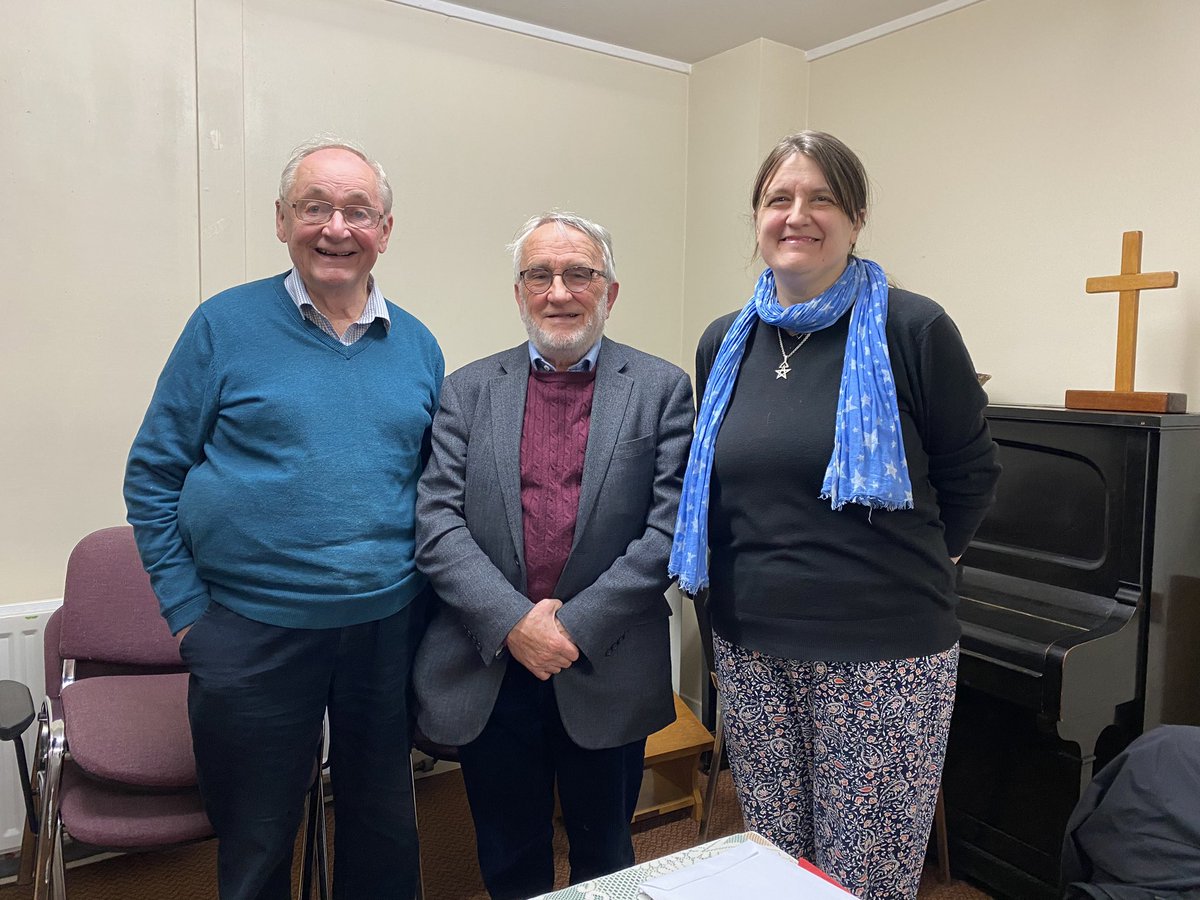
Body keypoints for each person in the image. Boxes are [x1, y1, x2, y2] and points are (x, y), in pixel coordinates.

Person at [670, 131, 1000, 900]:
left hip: (883, 654)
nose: (798, 214)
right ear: (756, 217)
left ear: (855, 218)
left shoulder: (912, 329)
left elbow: (972, 476)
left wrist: (902, 572)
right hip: (751, 647)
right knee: (777, 866)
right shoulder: (726, 341)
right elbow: (718, 490)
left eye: (821, 198)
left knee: (864, 880)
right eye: (779, 198)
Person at [124, 135, 443, 900]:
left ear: (385, 231)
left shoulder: (420, 346)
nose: (337, 227)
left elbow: (435, 485)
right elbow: (153, 473)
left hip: (384, 630)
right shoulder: (222, 326)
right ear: (281, 220)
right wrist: (189, 616)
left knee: (384, 830)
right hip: (249, 633)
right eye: (316, 207)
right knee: (258, 842)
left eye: (358, 211)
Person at [413, 211, 694, 900]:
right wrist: (516, 623)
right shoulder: (468, 389)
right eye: (540, 274)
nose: (559, 291)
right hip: (492, 665)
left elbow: (669, 533)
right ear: (519, 292)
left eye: (579, 273)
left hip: (605, 662)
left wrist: (568, 629)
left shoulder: (661, 389)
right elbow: (437, 524)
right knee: (509, 855)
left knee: (607, 853)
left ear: (611, 291)